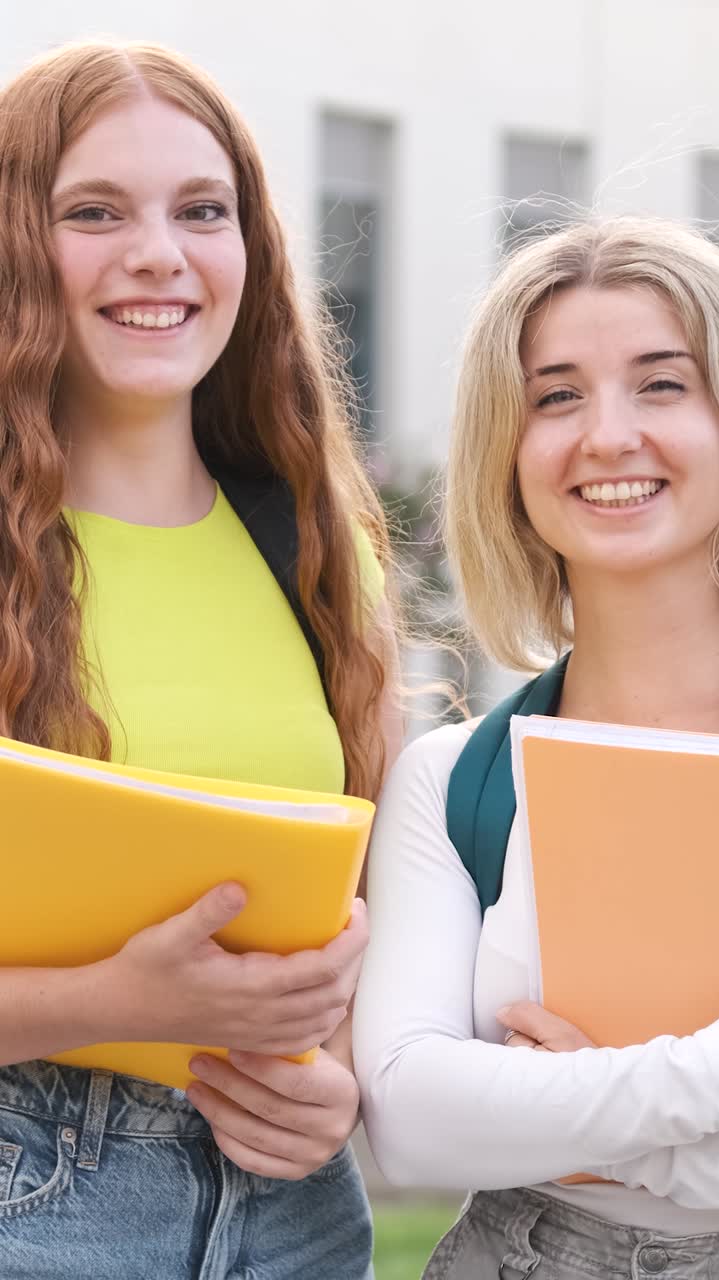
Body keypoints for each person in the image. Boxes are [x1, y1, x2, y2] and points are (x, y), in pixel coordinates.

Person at [0, 39, 401, 1280]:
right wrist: (116, 1003)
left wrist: (334, 1079)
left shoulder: (321, 556)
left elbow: (360, 923)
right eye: (94, 211)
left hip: (297, 1214)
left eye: (202, 210)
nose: (160, 253)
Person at [354, 216, 719, 1277]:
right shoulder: (455, 779)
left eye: (663, 384)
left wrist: (580, 1113)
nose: (607, 435)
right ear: (506, 451)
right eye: (557, 394)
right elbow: (413, 1115)